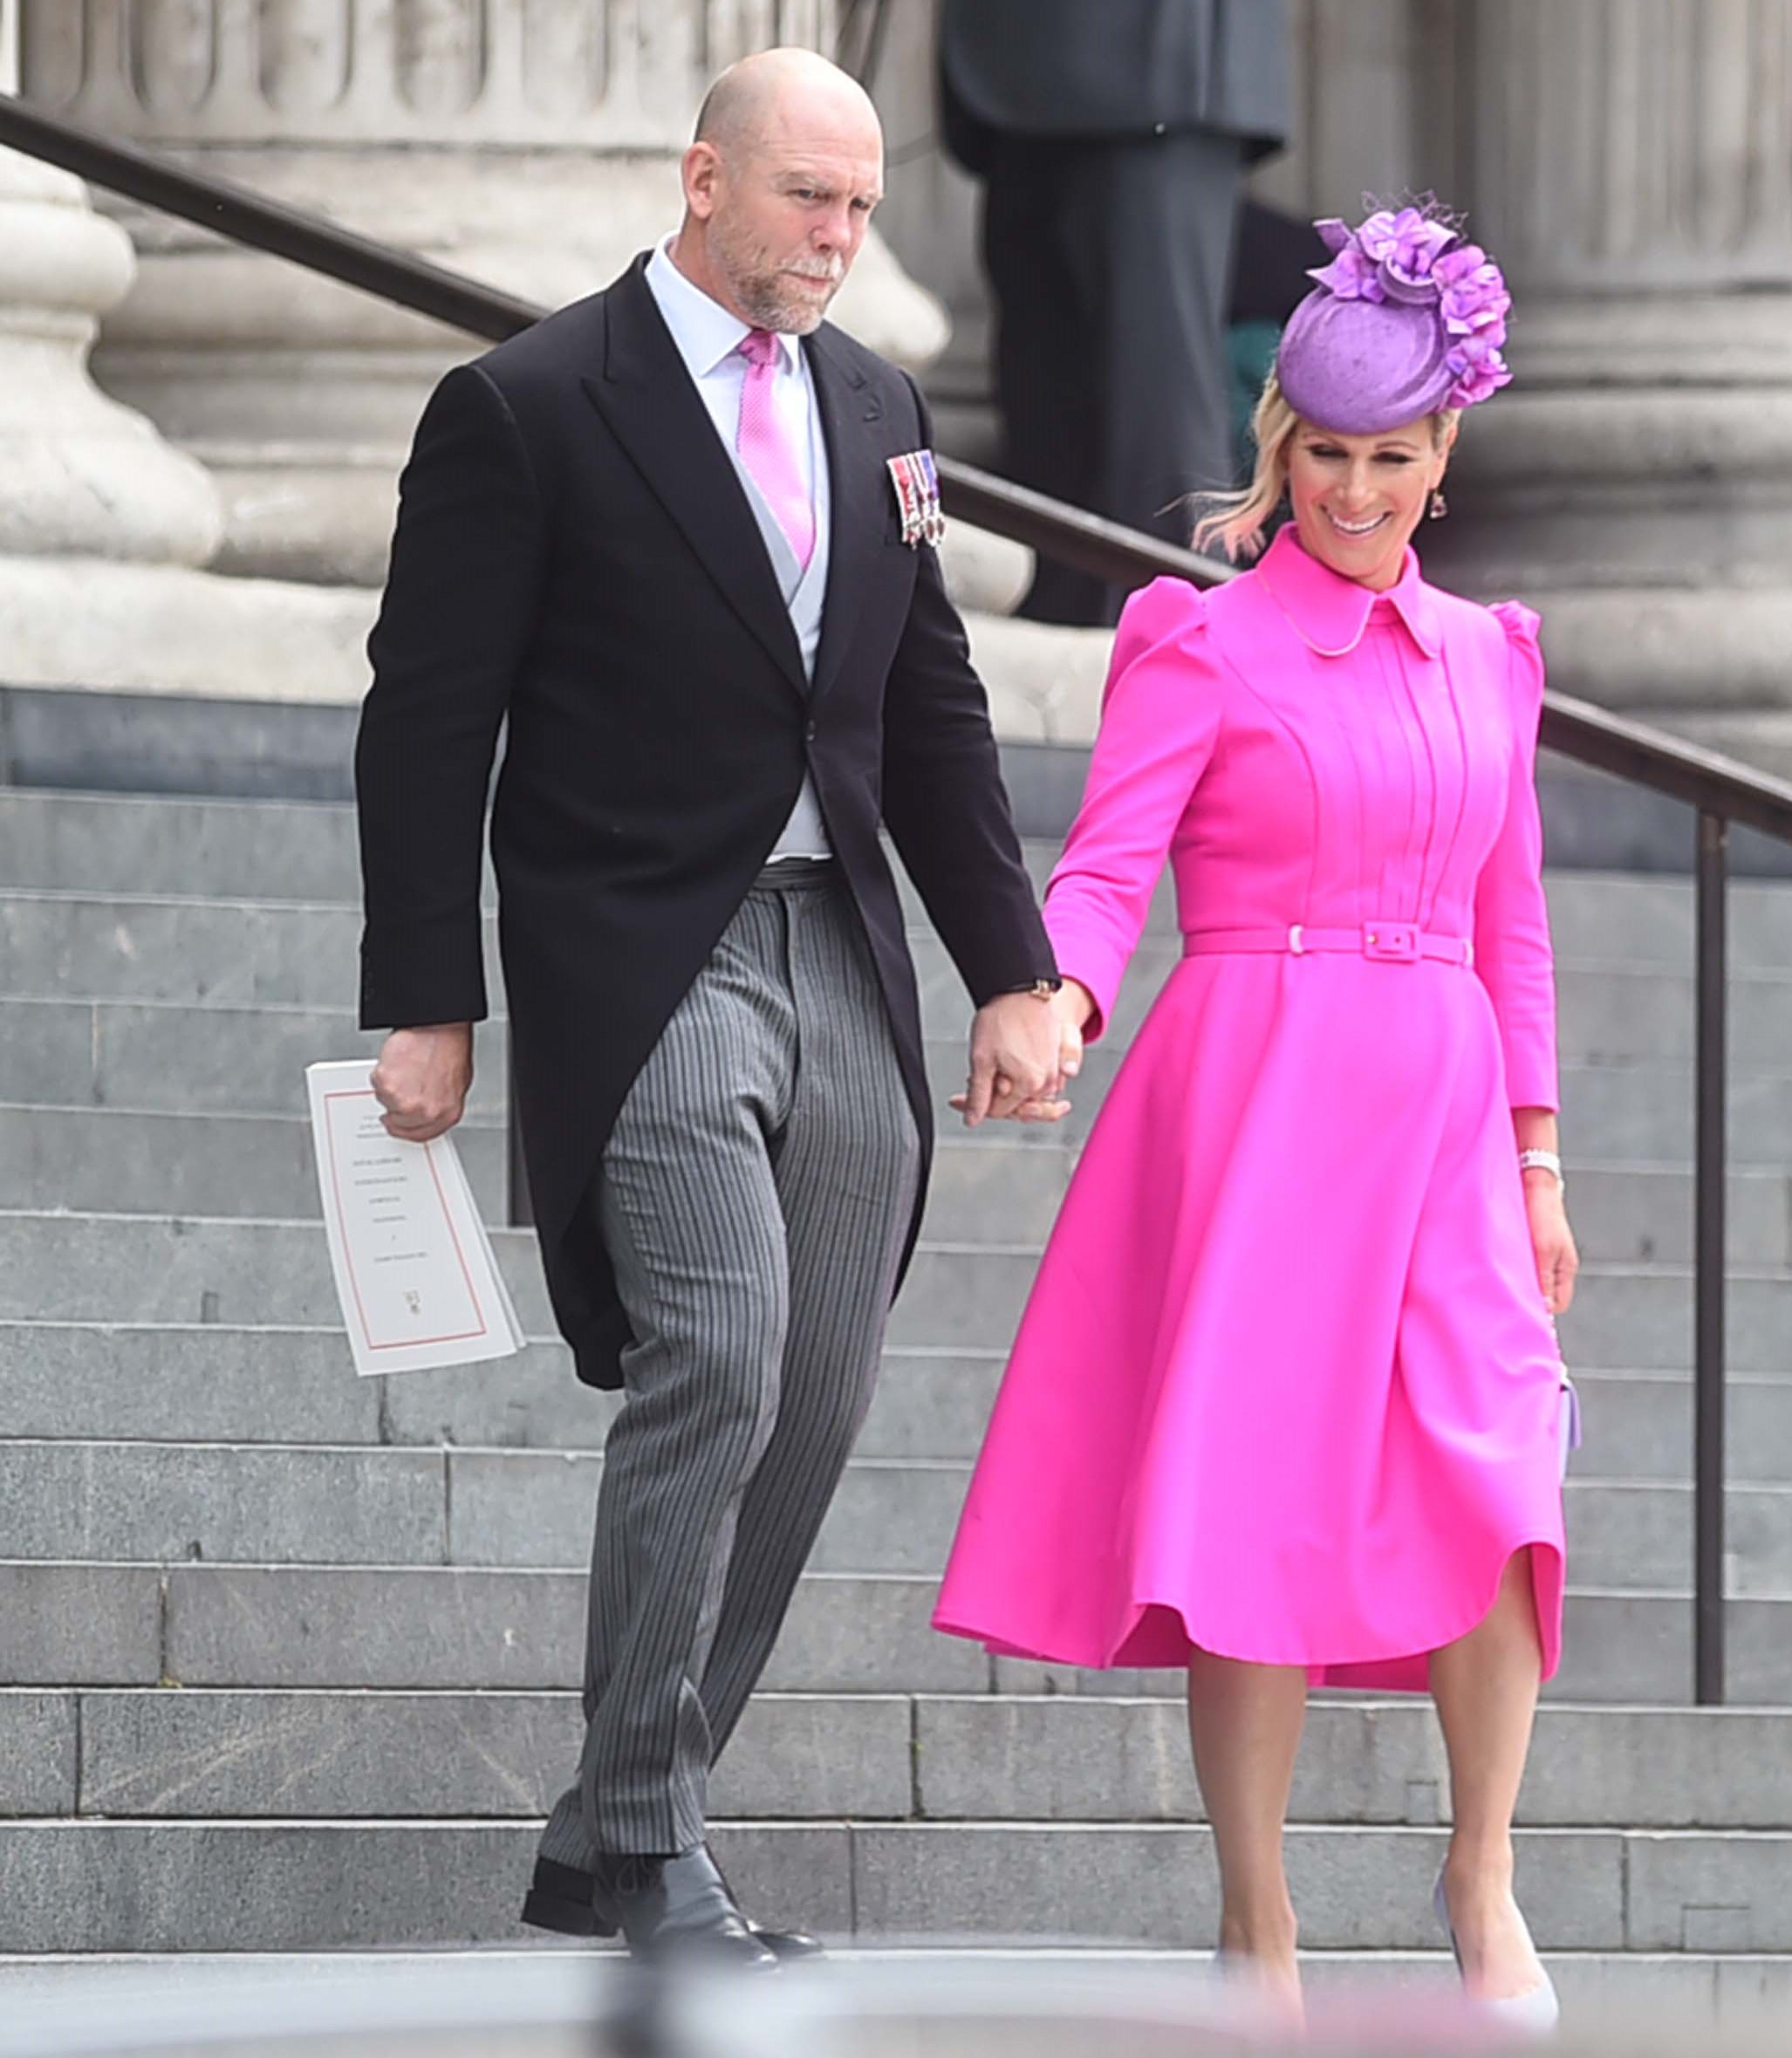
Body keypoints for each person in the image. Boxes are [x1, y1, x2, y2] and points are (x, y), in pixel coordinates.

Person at [355, 47, 1069, 1966]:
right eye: (805, 200)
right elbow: (427, 718)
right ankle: (655, 1844)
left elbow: (925, 702)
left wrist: (1010, 964)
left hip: (837, 944)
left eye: (861, 207)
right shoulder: (524, 403)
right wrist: (430, 993)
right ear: (701, 181)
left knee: (820, 1390)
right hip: (636, 951)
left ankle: (607, 1835)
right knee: (723, 1350)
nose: (838, 238)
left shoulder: (878, 403)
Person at [934, 202, 1581, 2029]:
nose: (1353, 491)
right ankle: (1257, 1918)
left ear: (1439, 453)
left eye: (1388, 457)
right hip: (1257, 1105)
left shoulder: (1489, 656)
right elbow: (1104, 870)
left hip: (1446, 1117)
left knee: (1493, 1477)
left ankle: (1477, 1872)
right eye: (1323, 456)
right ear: (1275, 450)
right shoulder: (1193, 640)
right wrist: (1055, 999)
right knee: (1257, 1515)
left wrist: (1535, 1155)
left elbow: (1509, 928)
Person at [939, 0, 1290, 627]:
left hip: (1156, 59)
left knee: (1156, 431)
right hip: (1024, 75)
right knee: (1049, 428)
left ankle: (1190, 677)